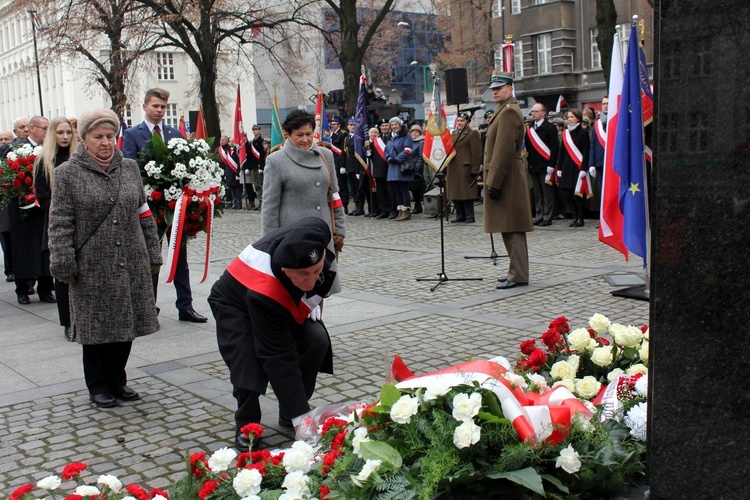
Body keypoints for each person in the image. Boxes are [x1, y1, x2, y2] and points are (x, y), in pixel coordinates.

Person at [48, 109, 161, 408]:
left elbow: (144, 213)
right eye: (98, 137)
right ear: (84, 139)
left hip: (131, 258)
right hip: (91, 265)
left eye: (110, 136)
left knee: (127, 325)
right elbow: (60, 221)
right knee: (96, 328)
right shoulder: (66, 174)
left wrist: (153, 252)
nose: (105, 142)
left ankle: (118, 380)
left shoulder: (129, 168)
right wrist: (62, 261)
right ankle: (98, 384)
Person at [209, 217, 336, 451]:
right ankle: (247, 422)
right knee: (247, 357)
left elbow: (314, 274)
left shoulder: (317, 232)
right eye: (303, 275)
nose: (311, 281)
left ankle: (292, 411)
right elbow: (277, 355)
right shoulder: (265, 289)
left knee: (315, 340)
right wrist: (305, 425)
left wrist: (311, 298)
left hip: (278, 299)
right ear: (286, 270)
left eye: (316, 271)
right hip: (235, 303)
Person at [122, 88, 207, 323]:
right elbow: (129, 168)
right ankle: (148, 305)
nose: (159, 110)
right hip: (148, 207)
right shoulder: (132, 134)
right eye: (155, 106)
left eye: (163, 107)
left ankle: (185, 306)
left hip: (174, 206)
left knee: (180, 256)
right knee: (150, 257)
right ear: (145, 106)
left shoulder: (173, 133)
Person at [261, 109, 346, 294]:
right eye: (299, 135)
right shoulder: (276, 161)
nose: (305, 139)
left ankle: (317, 323)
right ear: (287, 134)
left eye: (308, 134)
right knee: (297, 290)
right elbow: (269, 206)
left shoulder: (326, 155)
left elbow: (335, 196)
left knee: (319, 287)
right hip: (292, 238)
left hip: (322, 235)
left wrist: (340, 228)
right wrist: (270, 244)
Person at [483, 72, 533, 290]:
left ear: (510, 89)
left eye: (499, 88)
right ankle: (516, 271)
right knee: (507, 226)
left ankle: (518, 274)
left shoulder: (509, 112)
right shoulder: (504, 111)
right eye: (493, 89)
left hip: (507, 175)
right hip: (505, 173)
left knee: (513, 227)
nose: (495, 91)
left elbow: (503, 149)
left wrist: (493, 181)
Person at [33, 117, 77, 339]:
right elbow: (43, 197)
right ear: (53, 134)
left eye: (68, 132)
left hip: (82, 224)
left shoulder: (78, 157)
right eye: (60, 132)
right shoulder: (44, 162)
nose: (65, 137)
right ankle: (67, 322)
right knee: (62, 275)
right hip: (57, 223)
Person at [6, 116, 51, 303]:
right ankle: (22, 289)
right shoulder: (15, 149)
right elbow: (7, 176)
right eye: (44, 128)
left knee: (44, 249)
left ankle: (45, 289)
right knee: (23, 249)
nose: (47, 132)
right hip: (22, 208)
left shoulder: (49, 150)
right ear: (32, 128)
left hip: (41, 208)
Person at [526, 103, 560, 227]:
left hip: (546, 165)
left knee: (547, 192)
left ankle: (547, 216)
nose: (533, 114)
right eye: (532, 112)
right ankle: (539, 215)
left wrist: (552, 164)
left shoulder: (549, 128)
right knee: (537, 192)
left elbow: (554, 148)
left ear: (543, 113)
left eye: (536, 111)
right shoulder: (530, 129)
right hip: (534, 164)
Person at [557, 108, 591, 228]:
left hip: (578, 167)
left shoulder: (583, 132)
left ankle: (580, 218)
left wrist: (584, 168)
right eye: (568, 117)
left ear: (578, 118)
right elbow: (562, 151)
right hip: (566, 167)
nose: (569, 119)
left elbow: (586, 152)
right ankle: (574, 216)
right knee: (568, 193)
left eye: (572, 117)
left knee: (578, 194)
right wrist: (559, 167)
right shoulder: (565, 133)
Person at [446, 113, 482, 224]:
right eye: (458, 121)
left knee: (466, 193)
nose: (460, 123)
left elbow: (476, 153)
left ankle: (469, 215)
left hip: (465, 167)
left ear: (468, 123)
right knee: (455, 192)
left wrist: (475, 170)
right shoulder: (453, 134)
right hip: (453, 167)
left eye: (462, 121)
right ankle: (460, 215)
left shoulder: (472, 134)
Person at [385, 117, 414, 221]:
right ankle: (400, 210)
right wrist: (389, 158)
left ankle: (406, 210)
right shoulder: (390, 137)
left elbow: (408, 149)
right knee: (396, 190)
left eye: (395, 124)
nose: (393, 126)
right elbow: (386, 150)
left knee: (404, 189)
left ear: (400, 125)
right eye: (392, 125)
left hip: (401, 165)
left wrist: (398, 159)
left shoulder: (406, 136)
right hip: (392, 166)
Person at [588, 96, 609, 214]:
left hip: (612, 162)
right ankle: (604, 216)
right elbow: (593, 144)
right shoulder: (597, 124)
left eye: (608, 103)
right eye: (604, 103)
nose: (606, 106)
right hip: (600, 162)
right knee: (602, 191)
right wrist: (591, 164)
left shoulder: (616, 120)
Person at [365, 127, 390, 219]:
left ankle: (389, 210)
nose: (373, 134)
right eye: (371, 132)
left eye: (375, 132)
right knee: (380, 193)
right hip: (376, 171)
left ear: (378, 134)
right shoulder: (368, 144)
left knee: (388, 191)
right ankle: (382, 210)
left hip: (386, 170)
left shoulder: (381, 142)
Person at [343, 119, 365, 216]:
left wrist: (358, 169)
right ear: (347, 126)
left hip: (356, 164)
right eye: (351, 125)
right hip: (349, 165)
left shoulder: (358, 138)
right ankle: (356, 206)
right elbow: (345, 152)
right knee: (352, 188)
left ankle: (360, 207)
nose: (352, 126)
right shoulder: (347, 138)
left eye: (354, 125)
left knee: (358, 187)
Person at [243, 125, 265, 211]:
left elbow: (262, 155)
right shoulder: (252, 142)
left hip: (259, 166)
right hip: (254, 166)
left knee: (260, 185)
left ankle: (262, 203)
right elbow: (249, 155)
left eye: (256, 129)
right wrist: (248, 167)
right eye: (253, 130)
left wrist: (261, 166)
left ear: (260, 130)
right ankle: (260, 202)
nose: (254, 131)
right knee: (256, 185)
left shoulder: (261, 141)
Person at [329, 116, 348, 214]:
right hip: (332, 162)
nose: (332, 126)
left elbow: (343, 151)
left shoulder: (342, 134)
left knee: (342, 185)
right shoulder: (330, 135)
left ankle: (344, 205)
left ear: (339, 125)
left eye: (334, 124)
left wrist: (343, 165)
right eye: (331, 124)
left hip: (339, 162)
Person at [219, 136, 242, 209]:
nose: (231, 143)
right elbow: (227, 163)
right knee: (231, 188)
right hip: (229, 172)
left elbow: (239, 161)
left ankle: (239, 203)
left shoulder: (238, 150)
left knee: (237, 189)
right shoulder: (228, 150)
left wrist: (238, 173)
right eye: (230, 141)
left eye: (233, 141)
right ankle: (234, 203)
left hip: (236, 172)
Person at [408, 124, 426, 215]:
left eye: (416, 132)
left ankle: (418, 204)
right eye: (412, 131)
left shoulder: (421, 142)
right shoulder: (409, 141)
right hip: (409, 167)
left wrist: (417, 168)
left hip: (416, 168)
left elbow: (420, 156)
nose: (414, 133)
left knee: (416, 187)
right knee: (412, 187)